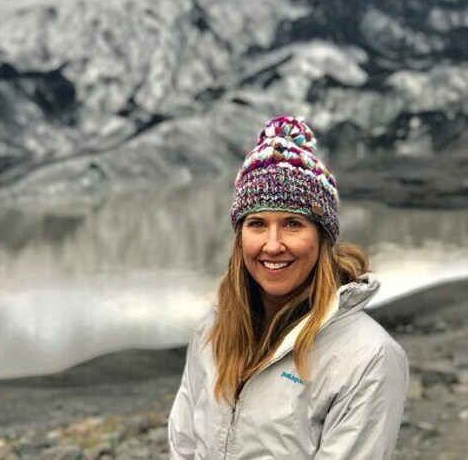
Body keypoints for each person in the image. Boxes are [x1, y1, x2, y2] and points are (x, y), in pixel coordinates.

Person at [168, 115, 408, 459]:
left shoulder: (369, 356)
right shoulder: (213, 330)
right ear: (240, 236)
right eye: (257, 224)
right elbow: (184, 444)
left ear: (322, 236)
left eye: (293, 224)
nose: (273, 244)